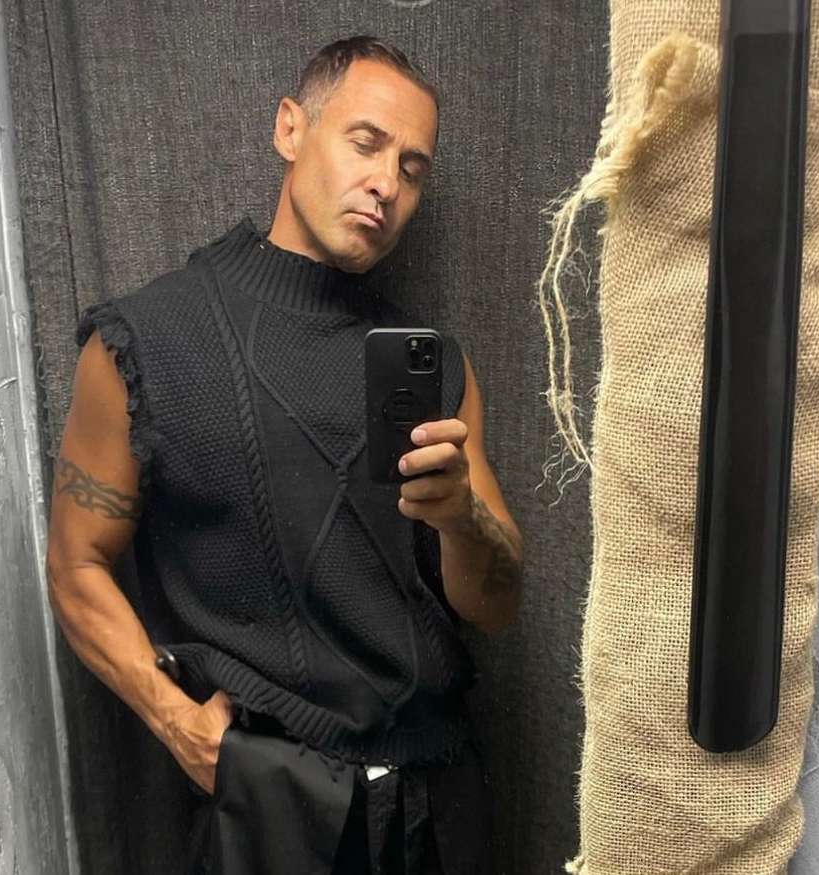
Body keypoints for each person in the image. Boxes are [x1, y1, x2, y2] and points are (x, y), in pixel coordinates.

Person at [45, 35, 523, 875]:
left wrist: (460, 519)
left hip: (438, 809)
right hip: (270, 804)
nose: (386, 184)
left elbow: (496, 604)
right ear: (291, 128)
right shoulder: (147, 340)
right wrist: (178, 724)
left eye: (412, 168)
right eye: (366, 143)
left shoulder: (435, 367)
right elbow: (75, 563)